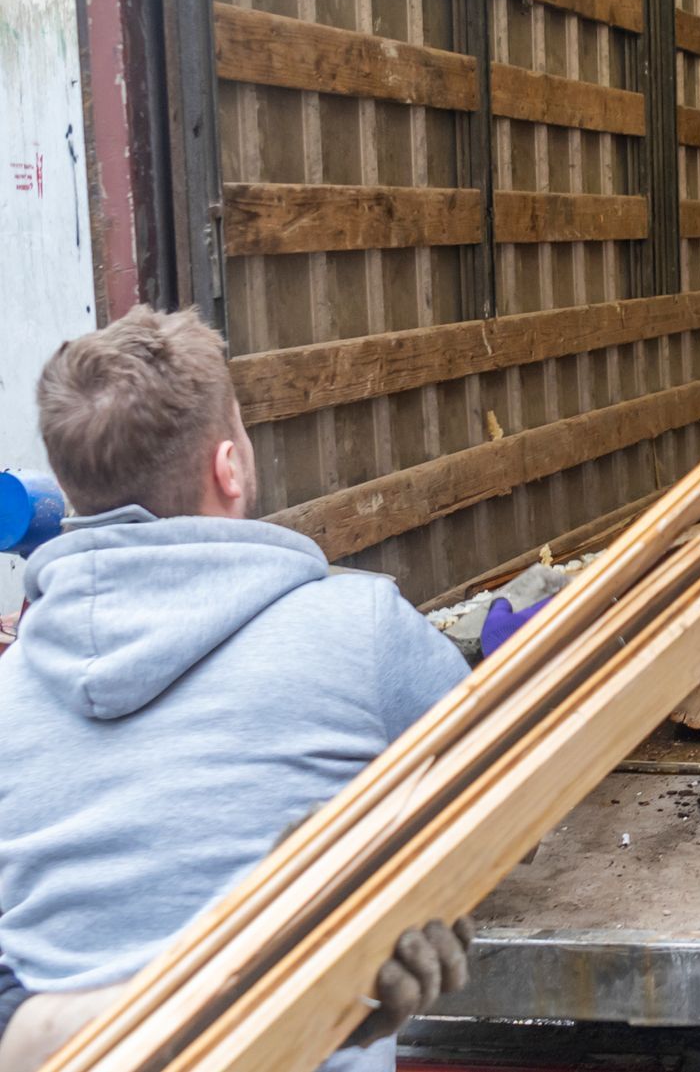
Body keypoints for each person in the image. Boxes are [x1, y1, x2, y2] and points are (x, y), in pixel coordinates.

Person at [0, 306, 477, 1070]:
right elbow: (506, 795)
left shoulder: (7, 692)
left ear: (67, 491)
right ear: (229, 466)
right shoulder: (361, 630)